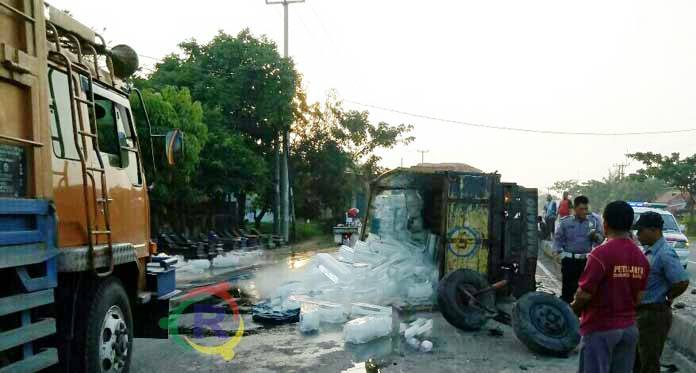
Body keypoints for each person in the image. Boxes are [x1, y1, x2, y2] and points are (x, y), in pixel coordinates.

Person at [571, 201, 650, 373]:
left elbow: (584, 295)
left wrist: (572, 311)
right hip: (629, 330)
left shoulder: (600, 254)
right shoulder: (641, 257)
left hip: (601, 328)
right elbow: (639, 298)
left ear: (605, 224)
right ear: (630, 225)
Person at [633, 212, 689, 373]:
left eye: (641, 230)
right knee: (638, 359)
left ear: (654, 230)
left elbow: (682, 281)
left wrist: (668, 296)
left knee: (649, 362)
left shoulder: (664, 253)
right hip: (643, 313)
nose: (638, 235)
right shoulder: (651, 251)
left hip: (654, 313)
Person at [554, 195, 604, 303]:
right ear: (575, 209)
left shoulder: (593, 221)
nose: (584, 212)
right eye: (581, 209)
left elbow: (600, 240)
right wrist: (559, 254)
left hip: (586, 262)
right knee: (567, 292)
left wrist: (594, 236)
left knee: (584, 291)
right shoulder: (566, 222)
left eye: (586, 209)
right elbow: (558, 240)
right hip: (569, 261)